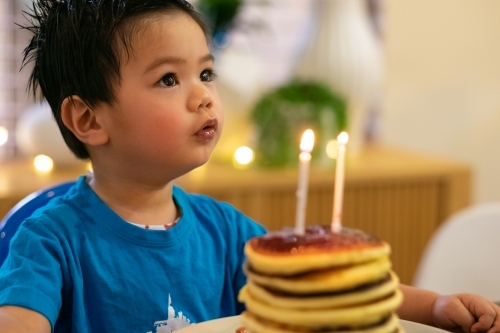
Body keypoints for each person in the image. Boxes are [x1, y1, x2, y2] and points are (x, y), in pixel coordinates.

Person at [0, 0, 498, 332]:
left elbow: (326, 283)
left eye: (206, 72)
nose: (203, 96)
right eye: (169, 80)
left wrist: (433, 307)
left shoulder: (226, 229)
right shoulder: (49, 240)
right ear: (88, 118)